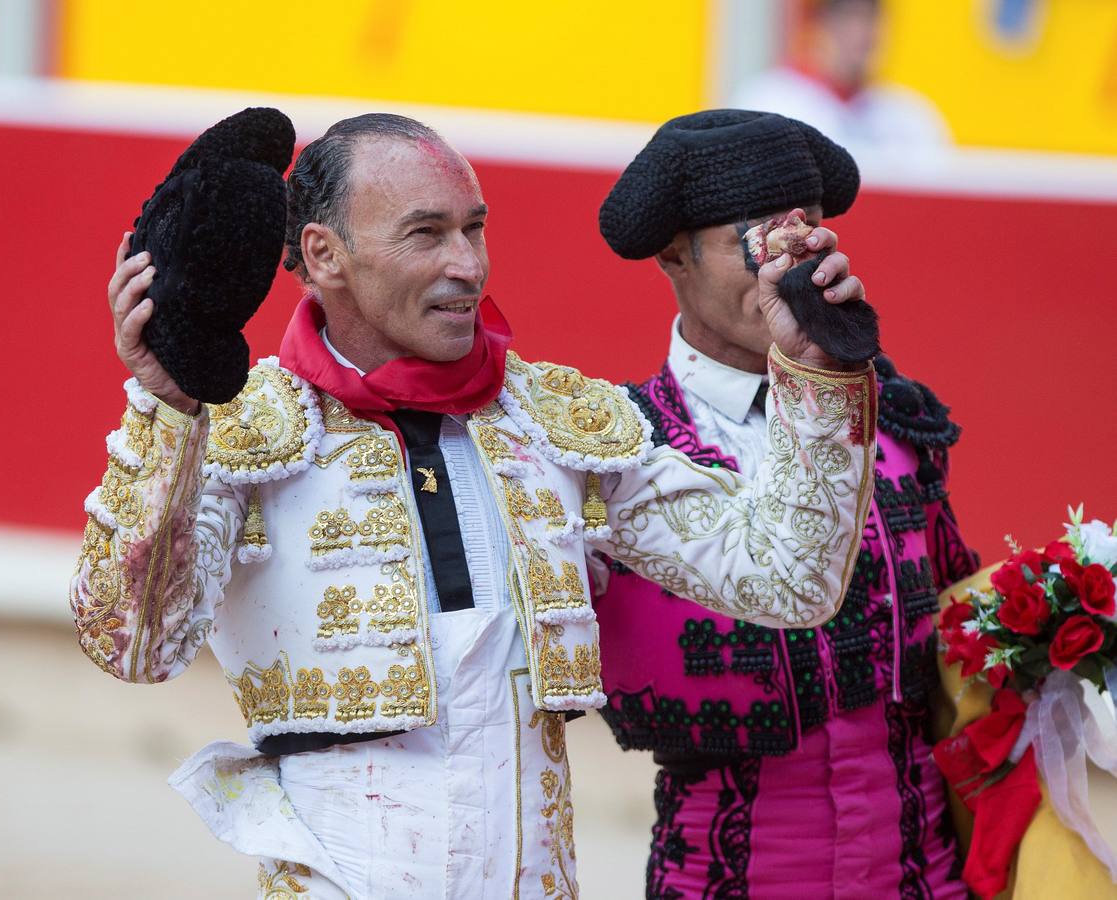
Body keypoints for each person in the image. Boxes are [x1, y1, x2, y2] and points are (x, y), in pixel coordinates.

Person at [71, 112, 878, 898]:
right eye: (426, 234)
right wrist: (168, 410)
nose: (467, 264)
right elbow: (134, 646)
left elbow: (787, 581)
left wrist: (814, 376)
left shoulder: (552, 425)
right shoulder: (243, 433)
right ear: (324, 255)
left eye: (474, 228)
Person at [594, 108, 980, 898]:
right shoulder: (619, 453)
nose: (790, 265)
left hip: (925, 874)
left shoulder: (896, 416)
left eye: (803, 234)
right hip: (728, 875)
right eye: (757, 241)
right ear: (674, 254)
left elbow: (953, 632)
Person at [731, 0, 950, 165]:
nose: (861, 32)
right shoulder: (768, 102)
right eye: (847, 17)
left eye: (870, 17)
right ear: (817, 24)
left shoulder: (908, 117)